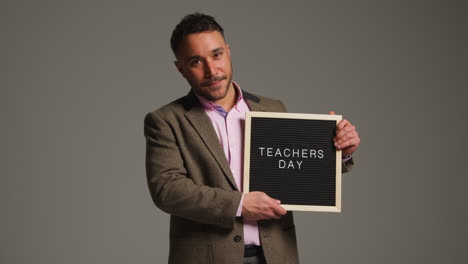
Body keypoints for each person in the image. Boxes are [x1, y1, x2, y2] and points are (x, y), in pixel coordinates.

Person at [144, 13, 360, 264]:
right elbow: (167, 189)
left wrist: (339, 151)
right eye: (195, 61)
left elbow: (295, 169)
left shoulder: (272, 109)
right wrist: (239, 204)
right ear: (180, 68)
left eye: (216, 55)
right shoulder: (166, 120)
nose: (212, 70)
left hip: (276, 254)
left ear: (228, 51)